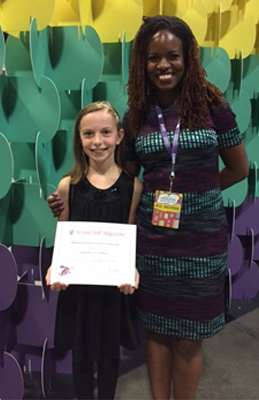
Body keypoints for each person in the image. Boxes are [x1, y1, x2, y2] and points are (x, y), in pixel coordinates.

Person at [48, 16, 249, 400]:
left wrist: (199, 195)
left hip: (202, 242)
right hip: (153, 239)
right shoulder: (137, 113)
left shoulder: (212, 104)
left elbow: (238, 168)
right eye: (154, 57)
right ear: (142, 61)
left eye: (173, 55)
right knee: (155, 332)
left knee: (189, 340)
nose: (164, 65)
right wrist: (69, 201)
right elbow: (120, 180)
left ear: (188, 57)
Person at [45, 101, 143, 399]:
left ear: (119, 136)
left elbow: (129, 235)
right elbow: (63, 235)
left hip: (113, 289)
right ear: (79, 138)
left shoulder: (133, 187)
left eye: (105, 132)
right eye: (88, 134)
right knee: (82, 356)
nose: (97, 141)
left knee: (110, 356)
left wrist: (131, 270)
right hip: (79, 289)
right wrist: (55, 267)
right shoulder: (67, 185)